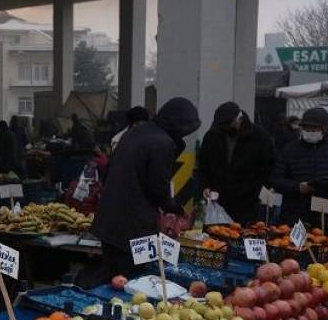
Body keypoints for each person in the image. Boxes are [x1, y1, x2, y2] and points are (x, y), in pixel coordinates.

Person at [87, 97, 201, 284]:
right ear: (180, 126)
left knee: (111, 282)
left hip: (109, 222)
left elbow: (109, 170)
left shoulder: (136, 132)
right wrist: (177, 209)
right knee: (133, 284)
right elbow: (158, 191)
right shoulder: (162, 143)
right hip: (134, 228)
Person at [198, 102, 274, 224]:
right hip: (217, 199)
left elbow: (268, 166)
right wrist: (205, 185)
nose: (225, 128)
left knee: (242, 235)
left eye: (228, 124)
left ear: (239, 119)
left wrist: (256, 190)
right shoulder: (212, 135)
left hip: (246, 203)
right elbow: (203, 165)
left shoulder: (260, 137)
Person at [271, 107, 328, 229]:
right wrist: (297, 187)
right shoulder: (289, 149)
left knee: (325, 246)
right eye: (306, 127)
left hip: (326, 217)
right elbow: (276, 179)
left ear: (324, 129)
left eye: (314, 128)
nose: (310, 131)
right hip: (294, 216)